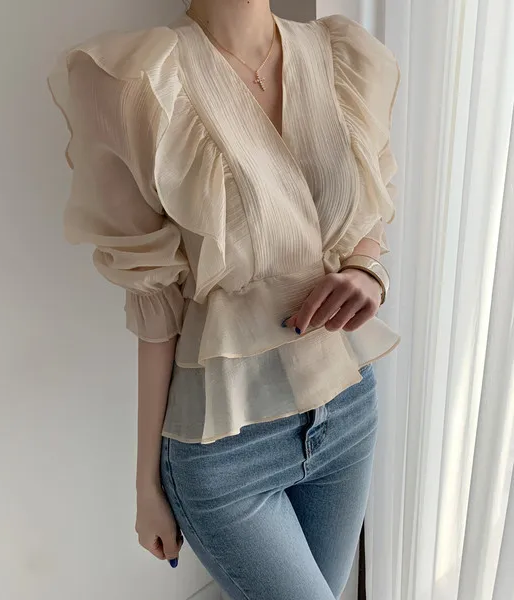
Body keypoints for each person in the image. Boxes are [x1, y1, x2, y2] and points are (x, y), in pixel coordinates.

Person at [49, 1, 400, 598]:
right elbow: (155, 304)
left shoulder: (344, 55)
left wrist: (367, 269)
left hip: (346, 408)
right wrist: (146, 485)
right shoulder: (142, 83)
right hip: (226, 447)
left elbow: (374, 195)